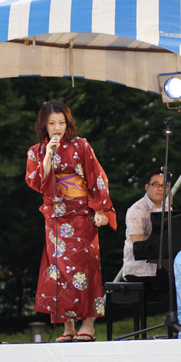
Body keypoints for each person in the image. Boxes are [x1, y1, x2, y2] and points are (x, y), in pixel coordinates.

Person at [25, 100, 116, 342]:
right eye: (52, 123)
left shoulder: (81, 146)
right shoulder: (36, 152)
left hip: (82, 215)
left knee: (85, 269)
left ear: (68, 123)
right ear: (44, 125)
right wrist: (48, 155)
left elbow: (97, 176)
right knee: (60, 272)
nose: (57, 127)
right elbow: (36, 182)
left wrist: (100, 209)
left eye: (61, 122)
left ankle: (88, 323)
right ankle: (68, 327)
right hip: (55, 217)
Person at [122, 167, 169, 291]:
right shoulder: (136, 209)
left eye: (164, 185)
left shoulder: (168, 208)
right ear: (147, 187)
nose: (160, 188)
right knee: (176, 282)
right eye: (156, 184)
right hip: (139, 268)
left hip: (161, 266)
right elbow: (138, 240)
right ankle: (173, 311)